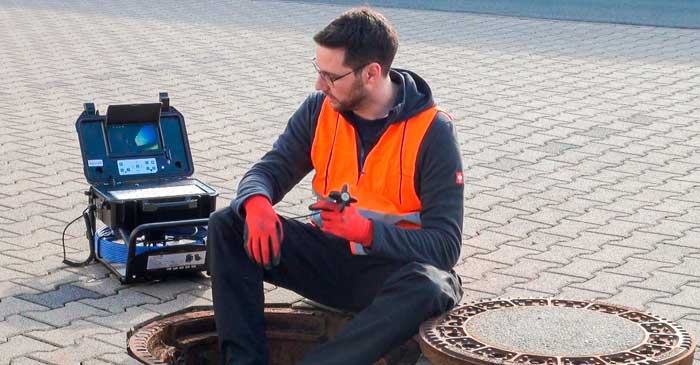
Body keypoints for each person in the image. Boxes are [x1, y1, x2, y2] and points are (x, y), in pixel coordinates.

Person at [209, 7, 464, 365]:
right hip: (328, 260)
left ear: (372, 73)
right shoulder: (319, 110)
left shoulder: (432, 132)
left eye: (331, 76)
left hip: (391, 275)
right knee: (227, 225)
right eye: (319, 72)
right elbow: (269, 170)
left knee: (434, 285)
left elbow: (445, 247)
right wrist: (255, 202)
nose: (319, 85)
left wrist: (367, 231)